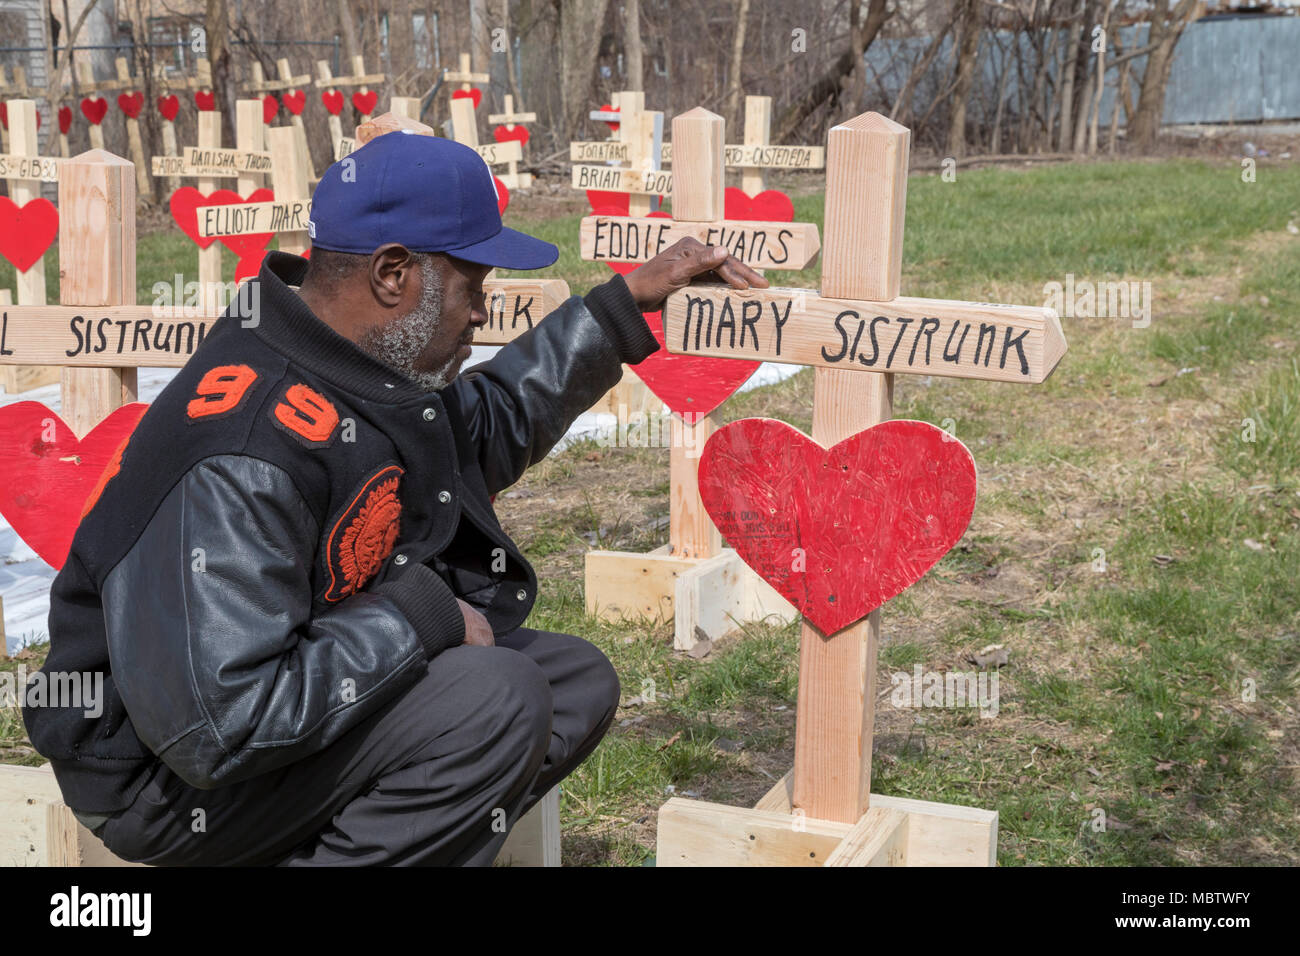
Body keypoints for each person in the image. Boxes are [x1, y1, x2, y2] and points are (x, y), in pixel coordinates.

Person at [21, 130, 765, 866]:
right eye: (472, 288)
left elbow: (484, 428)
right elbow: (223, 722)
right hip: (162, 776)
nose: (480, 312)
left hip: (267, 704)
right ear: (392, 275)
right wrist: (423, 616)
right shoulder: (245, 448)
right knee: (495, 699)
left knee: (570, 683)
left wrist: (618, 312)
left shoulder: (350, 363)